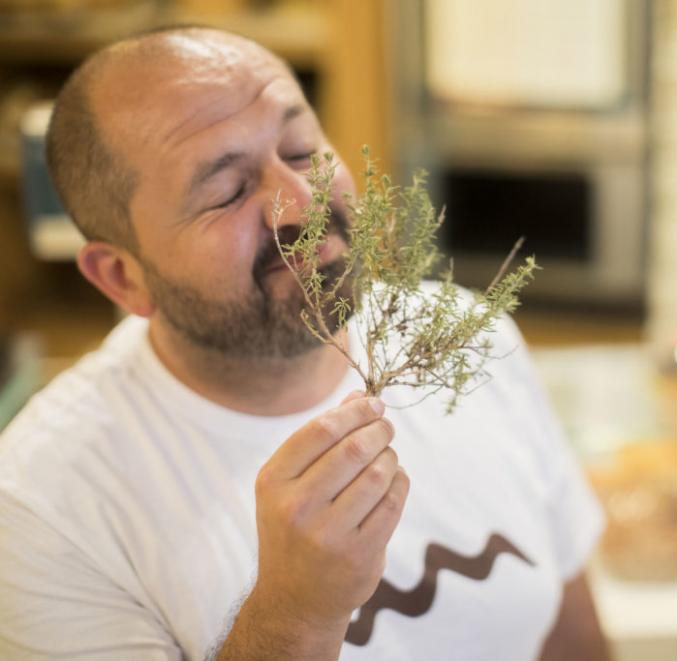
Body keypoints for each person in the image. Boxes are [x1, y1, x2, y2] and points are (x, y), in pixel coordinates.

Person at [0, 26, 610, 661]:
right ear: (124, 276)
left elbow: (573, 630)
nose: (299, 201)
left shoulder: (472, 338)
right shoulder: (41, 510)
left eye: (299, 149)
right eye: (226, 192)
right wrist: (296, 613)